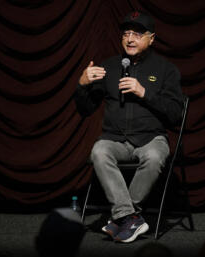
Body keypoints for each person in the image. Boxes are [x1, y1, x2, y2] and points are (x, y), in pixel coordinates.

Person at [75, 11, 184, 243]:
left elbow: (176, 115)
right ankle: (129, 217)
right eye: (126, 33)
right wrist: (82, 85)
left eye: (137, 34)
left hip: (151, 138)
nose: (130, 39)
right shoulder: (109, 67)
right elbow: (85, 109)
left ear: (151, 39)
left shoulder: (166, 70)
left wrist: (144, 92)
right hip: (115, 139)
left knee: (155, 157)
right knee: (99, 151)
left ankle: (124, 217)